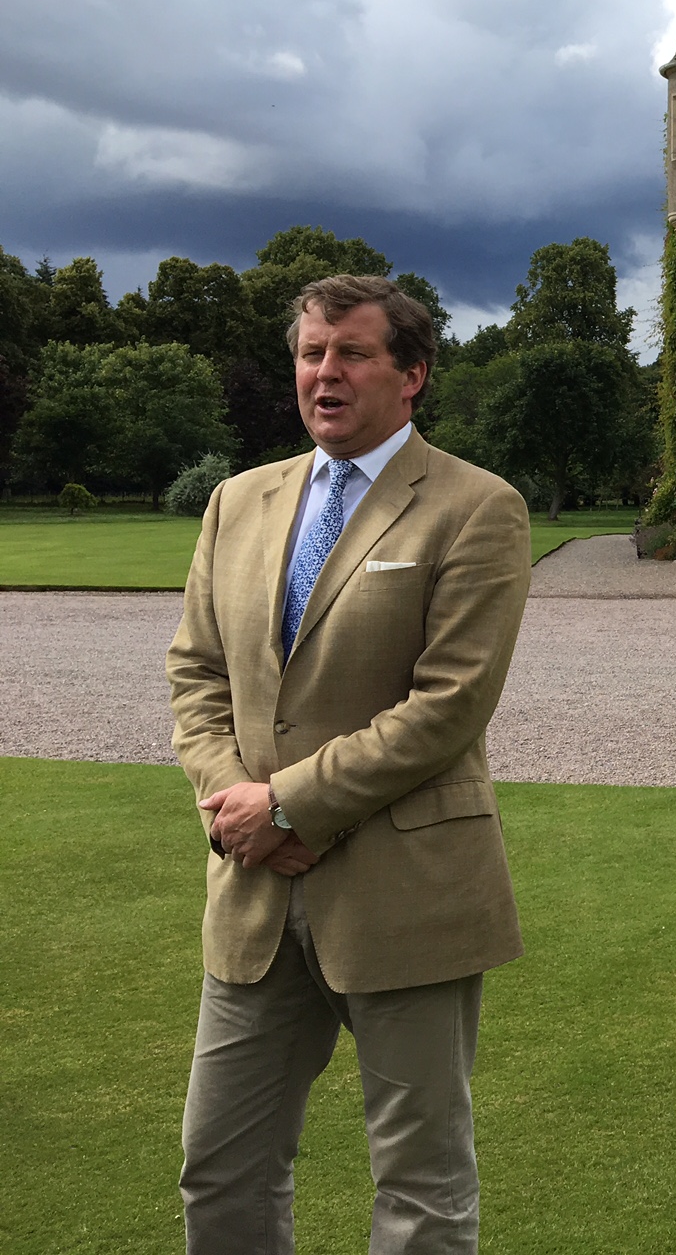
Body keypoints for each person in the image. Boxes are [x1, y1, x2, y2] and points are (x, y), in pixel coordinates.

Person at [168, 274, 532, 1253]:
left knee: (420, 1188)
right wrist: (234, 802)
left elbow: (447, 706)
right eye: (311, 353)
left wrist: (288, 805)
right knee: (221, 1170)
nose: (324, 373)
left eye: (352, 354)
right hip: (253, 890)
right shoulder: (237, 502)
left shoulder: (476, 507)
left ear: (411, 375)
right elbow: (197, 673)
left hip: (406, 890)